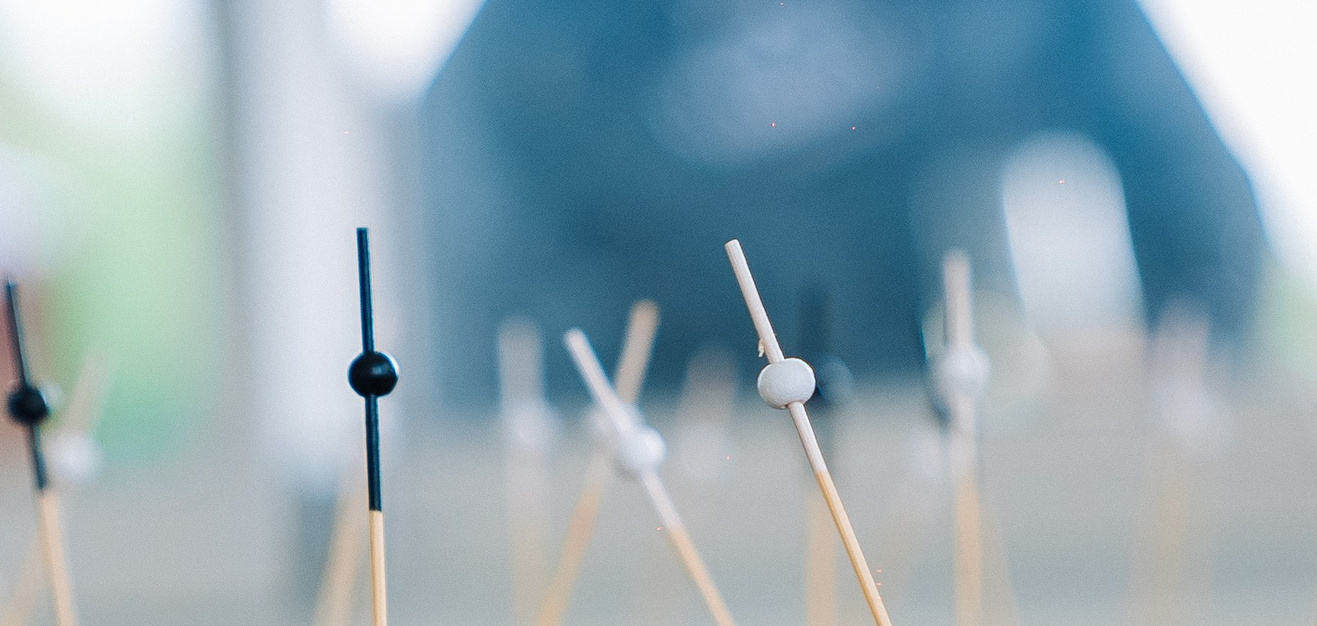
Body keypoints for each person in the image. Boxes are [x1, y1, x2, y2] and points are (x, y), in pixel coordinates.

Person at [419, 0, 1265, 405]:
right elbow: (505, 349)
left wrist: (1166, 396)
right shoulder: (530, 44)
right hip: (683, 502)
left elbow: (1197, 211)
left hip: (945, 474)